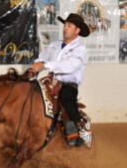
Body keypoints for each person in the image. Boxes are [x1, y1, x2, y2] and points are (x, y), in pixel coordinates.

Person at [29, 13, 91, 147]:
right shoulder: (54, 45)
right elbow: (40, 59)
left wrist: (45, 65)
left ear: (77, 31)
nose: (65, 28)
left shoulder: (80, 49)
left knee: (66, 98)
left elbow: (69, 66)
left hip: (67, 85)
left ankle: (78, 132)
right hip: (50, 83)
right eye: (65, 25)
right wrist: (32, 71)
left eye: (69, 26)